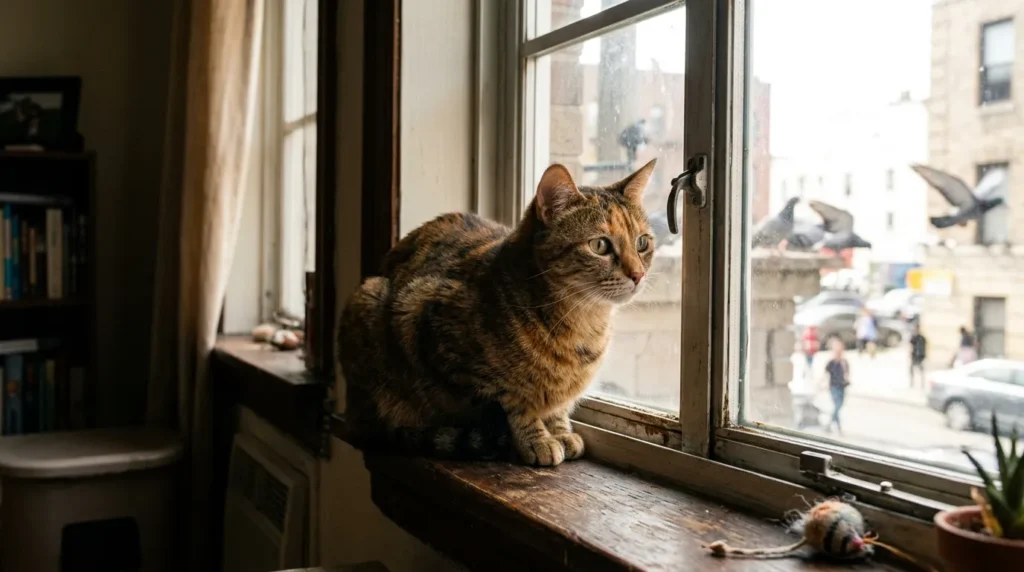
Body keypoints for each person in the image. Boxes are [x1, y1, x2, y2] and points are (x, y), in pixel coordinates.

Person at [824, 337, 850, 435]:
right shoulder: (831, 363)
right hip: (834, 386)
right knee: (837, 406)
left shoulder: (844, 362)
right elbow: (825, 374)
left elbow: (847, 374)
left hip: (842, 386)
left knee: (838, 406)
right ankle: (835, 426)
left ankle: (831, 425)